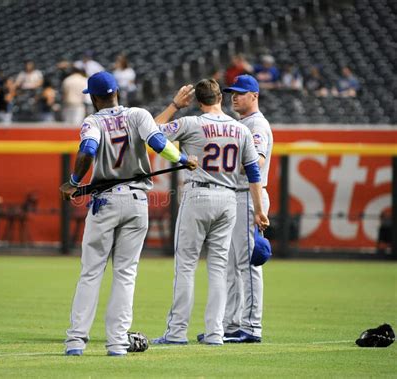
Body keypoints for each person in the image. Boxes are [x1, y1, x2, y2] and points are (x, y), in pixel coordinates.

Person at [59, 71, 198, 357]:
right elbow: (159, 144)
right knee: (126, 274)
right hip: (137, 201)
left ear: (95, 98)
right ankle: (117, 343)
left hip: (105, 201)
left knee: (91, 273)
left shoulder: (93, 121)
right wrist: (184, 159)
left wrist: (74, 182)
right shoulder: (138, 114)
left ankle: (76, 342)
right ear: (116, 93)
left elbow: (87, 150)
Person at [151, 79, 269, 345]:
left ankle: (177, 332)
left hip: (199, 194)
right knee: (218, 268)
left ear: (198, 101)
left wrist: (174, 105)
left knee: (186, 266)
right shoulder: (241, 129)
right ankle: (216, 332)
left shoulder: (191, 123)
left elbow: (152, 133)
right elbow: (253, 172)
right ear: (220, 98)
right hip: (228, 199)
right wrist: (259, 211)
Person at [220, 75, 273, 343]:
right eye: (232, 92)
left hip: (248, 197)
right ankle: (231, 325)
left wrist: (220, 164)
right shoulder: (242, 124)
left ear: (254, 95)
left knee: (248, 265)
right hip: (235, 197)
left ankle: (251, 327)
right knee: (231, 266)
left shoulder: (257, 125)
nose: (234, 97)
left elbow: (257, 160)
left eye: (241, 92)